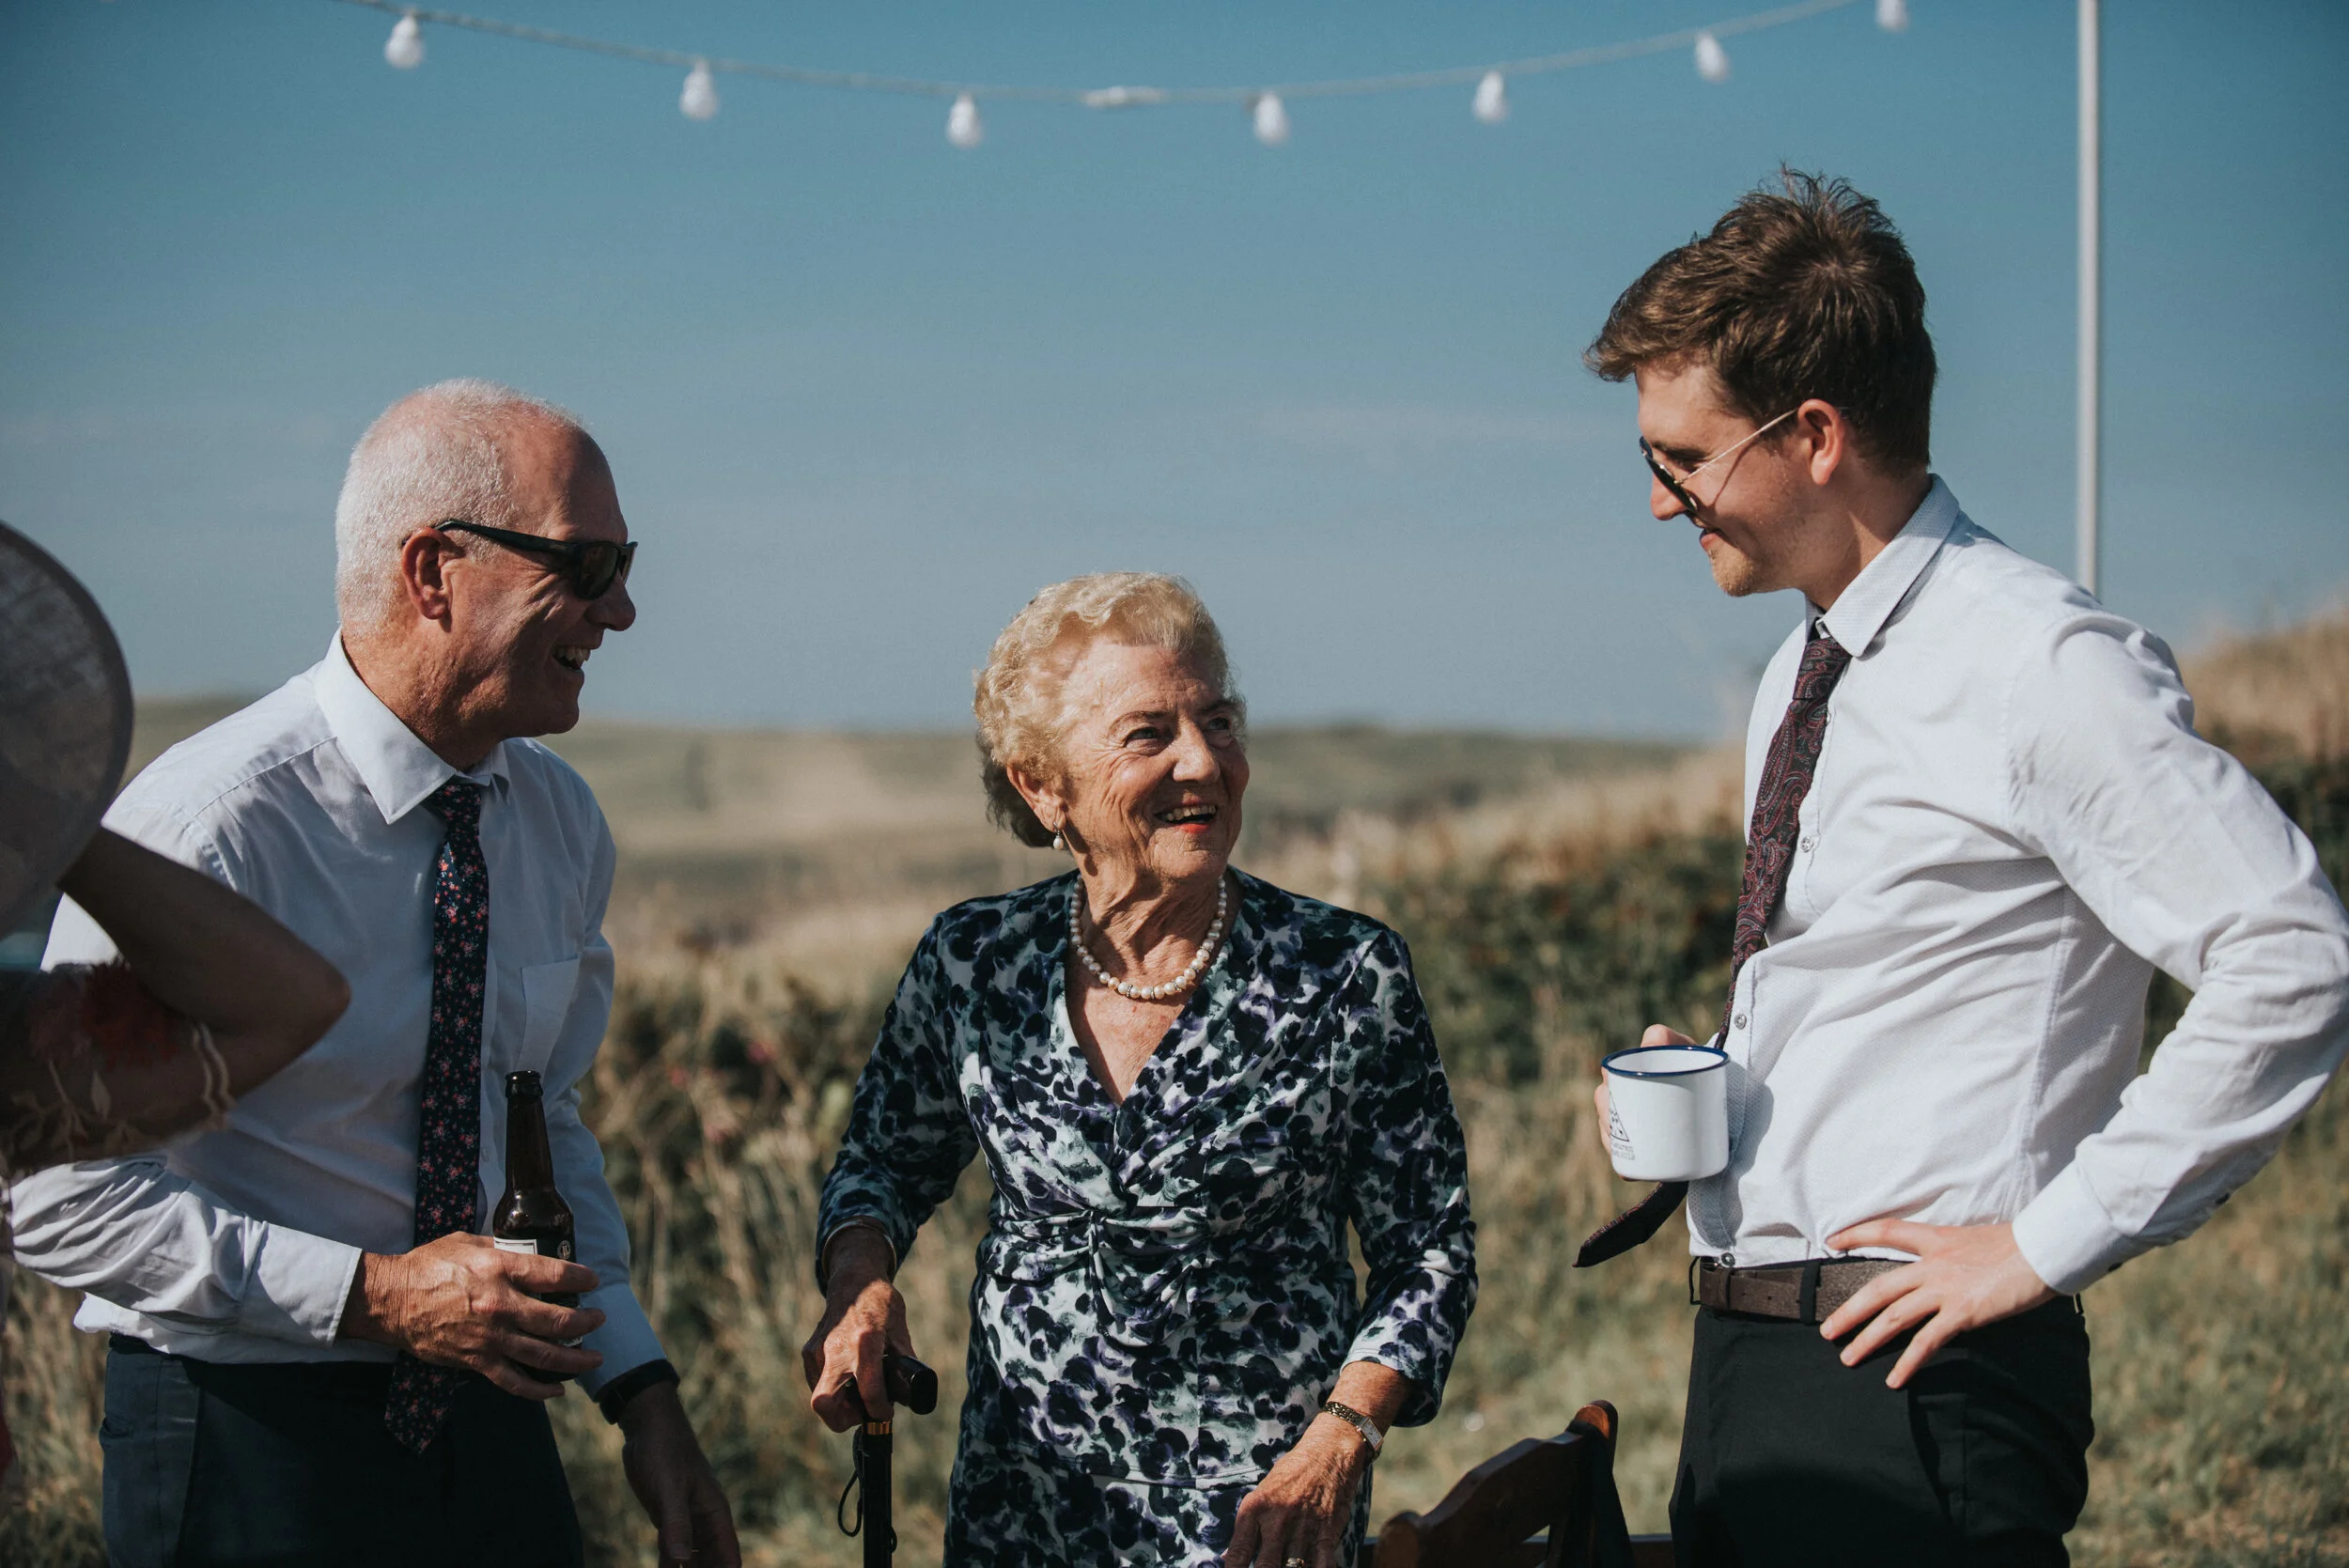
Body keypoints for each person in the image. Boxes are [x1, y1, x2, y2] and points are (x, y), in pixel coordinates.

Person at [1573, 172, 2349, 1565]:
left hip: (1916, 1389)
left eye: (1681, 459)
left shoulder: (2038, 661)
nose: (1656, 500)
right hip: (1759, 1366)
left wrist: (2046, 1241)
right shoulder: (1804, 669)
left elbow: (2290, 955)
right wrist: (1731, 1073)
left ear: (1812, 435)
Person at [11, 380, 739, 1568]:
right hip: (247, 1439)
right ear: (431, 571)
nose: (623, 609)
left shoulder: (559, 826)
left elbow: (542, 1120)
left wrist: (641, 1390)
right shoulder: (207, 830)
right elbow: (55, 1196)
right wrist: (377, 1295)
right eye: (589, 562)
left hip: (493, 1423)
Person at [801, 572, 1476, 1568]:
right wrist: (860, 1289)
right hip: (1017, 1506)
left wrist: (1342, 1437)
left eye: (1219, 721)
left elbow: (1428, 1248)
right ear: (1042, 783)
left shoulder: (1342, 972)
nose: (1202, 762)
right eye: (1148, 733)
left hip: (1257, 1519)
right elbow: (882, 1166)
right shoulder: (974, 961)